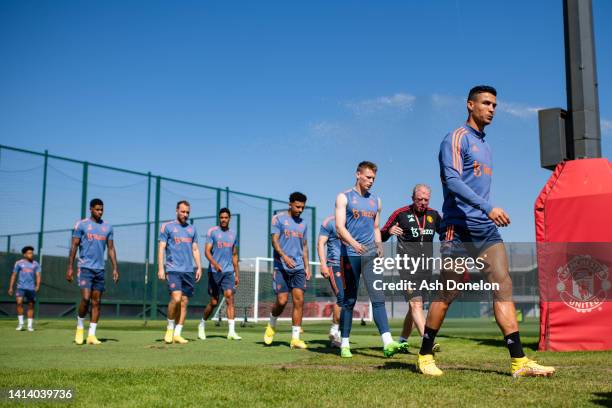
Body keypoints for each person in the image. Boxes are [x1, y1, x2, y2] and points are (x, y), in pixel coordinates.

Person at [416, 85, 555, 377]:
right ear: (470, 105)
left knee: (503, 285)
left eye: (494, 105)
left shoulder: (486, 146)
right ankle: (425, 355)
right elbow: (452, 181)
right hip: (458, 228)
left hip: (485, 229)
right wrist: (487, 206)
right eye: (486, 103)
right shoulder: (456, 139)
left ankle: (519, 361)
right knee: (447, 292)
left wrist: (486, 213)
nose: (491, 109)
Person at [334, 161, 407, 358]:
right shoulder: (344, 197)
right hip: (350, 254)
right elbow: (340, 227)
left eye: (373, 178)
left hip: (370, 255)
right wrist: (353, 244)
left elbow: (376, 227)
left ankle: (387, 342)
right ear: (358, 175)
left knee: (378, 297)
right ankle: (345, 344)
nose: (371, 181)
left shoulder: (377, 201)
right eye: (368, 177)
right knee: (349, 299)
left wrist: (379, 246)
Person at [381, 184, 441, 351]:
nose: (422, 202)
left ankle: (402, 340)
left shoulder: (434, 215)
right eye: (419, 199)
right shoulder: (400, 213)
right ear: (412, 198)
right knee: (416, 305)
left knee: (415, 306)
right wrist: (389, 231)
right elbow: (381, 235)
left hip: (426, 267)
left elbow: (446, 234)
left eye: (426, 199)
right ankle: (427, 342)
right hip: (407, 265)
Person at [66, 198, 119, 345]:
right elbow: (74, 247)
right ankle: (80, 327)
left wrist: (115, 268)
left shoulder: (108, 227)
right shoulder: (81, 225)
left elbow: (111, 249)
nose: (100, 212)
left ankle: (91, 335)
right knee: (85, 298)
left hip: (100, 269)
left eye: (101, 209)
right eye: (97, 209)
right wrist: (70, 267)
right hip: (85, 268)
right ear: (91, 209)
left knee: (97, 302)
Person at [263, 192, 311, 349]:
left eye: (303, 207)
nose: (300, 210)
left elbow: (304, 246)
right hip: (281, 266)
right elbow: (274, 241)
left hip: (298, 268)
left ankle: (295, 339)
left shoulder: (303, 224)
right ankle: (271, 324)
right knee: (282, 301)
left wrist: (307, 266)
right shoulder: (278, 219)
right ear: (290, 204)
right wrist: (284, 256)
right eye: (297, 206)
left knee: (299, 301)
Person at [158, 200, 202, 345]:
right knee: (176, 299)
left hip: (188, 270)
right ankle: (170, 328)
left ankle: (177, 334)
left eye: (187, 212)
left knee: (184, 302)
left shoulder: (192, 229)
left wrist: (199, 267)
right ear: (177, 210)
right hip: (173, 269)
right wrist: (160, 268)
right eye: (183, 211)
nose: (185, 214)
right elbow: (161, 248)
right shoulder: (167, 227)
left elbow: (195, 249)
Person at [199, 208, 241, 340]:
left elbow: (234, 255)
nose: (223, 219)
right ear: (219, 218)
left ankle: (231, 332)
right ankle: (202, 324)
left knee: (229, 298)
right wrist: (215, 264)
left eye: (226, 217)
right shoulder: (212, 232)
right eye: (221, 217)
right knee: (214, 302)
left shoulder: (234, 234)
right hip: (214, 272)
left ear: (229, 219)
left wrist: (237, 273)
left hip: (228, 272)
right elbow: (206, 252)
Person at [317, 215, 343, 347]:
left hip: (351, 266)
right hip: (335, 264)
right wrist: (323, 264)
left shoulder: (355, 220)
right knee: (342, 296)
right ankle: (334, 329)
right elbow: (321, 243)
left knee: (348, 300)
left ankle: (338, 336)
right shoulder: (329, 222)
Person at [8, 246, 41, 332]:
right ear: (24, 254)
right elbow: (14, 275)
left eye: (32, 253)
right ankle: (21, 324)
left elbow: (38, 275)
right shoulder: (18, 263)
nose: (31, 254)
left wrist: (37, 286)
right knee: (19, 303)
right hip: (21, 287)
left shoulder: (36, 264)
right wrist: (11, 287)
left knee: (31, 305)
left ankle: (29, 326)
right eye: (29, 253)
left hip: (31, 289)